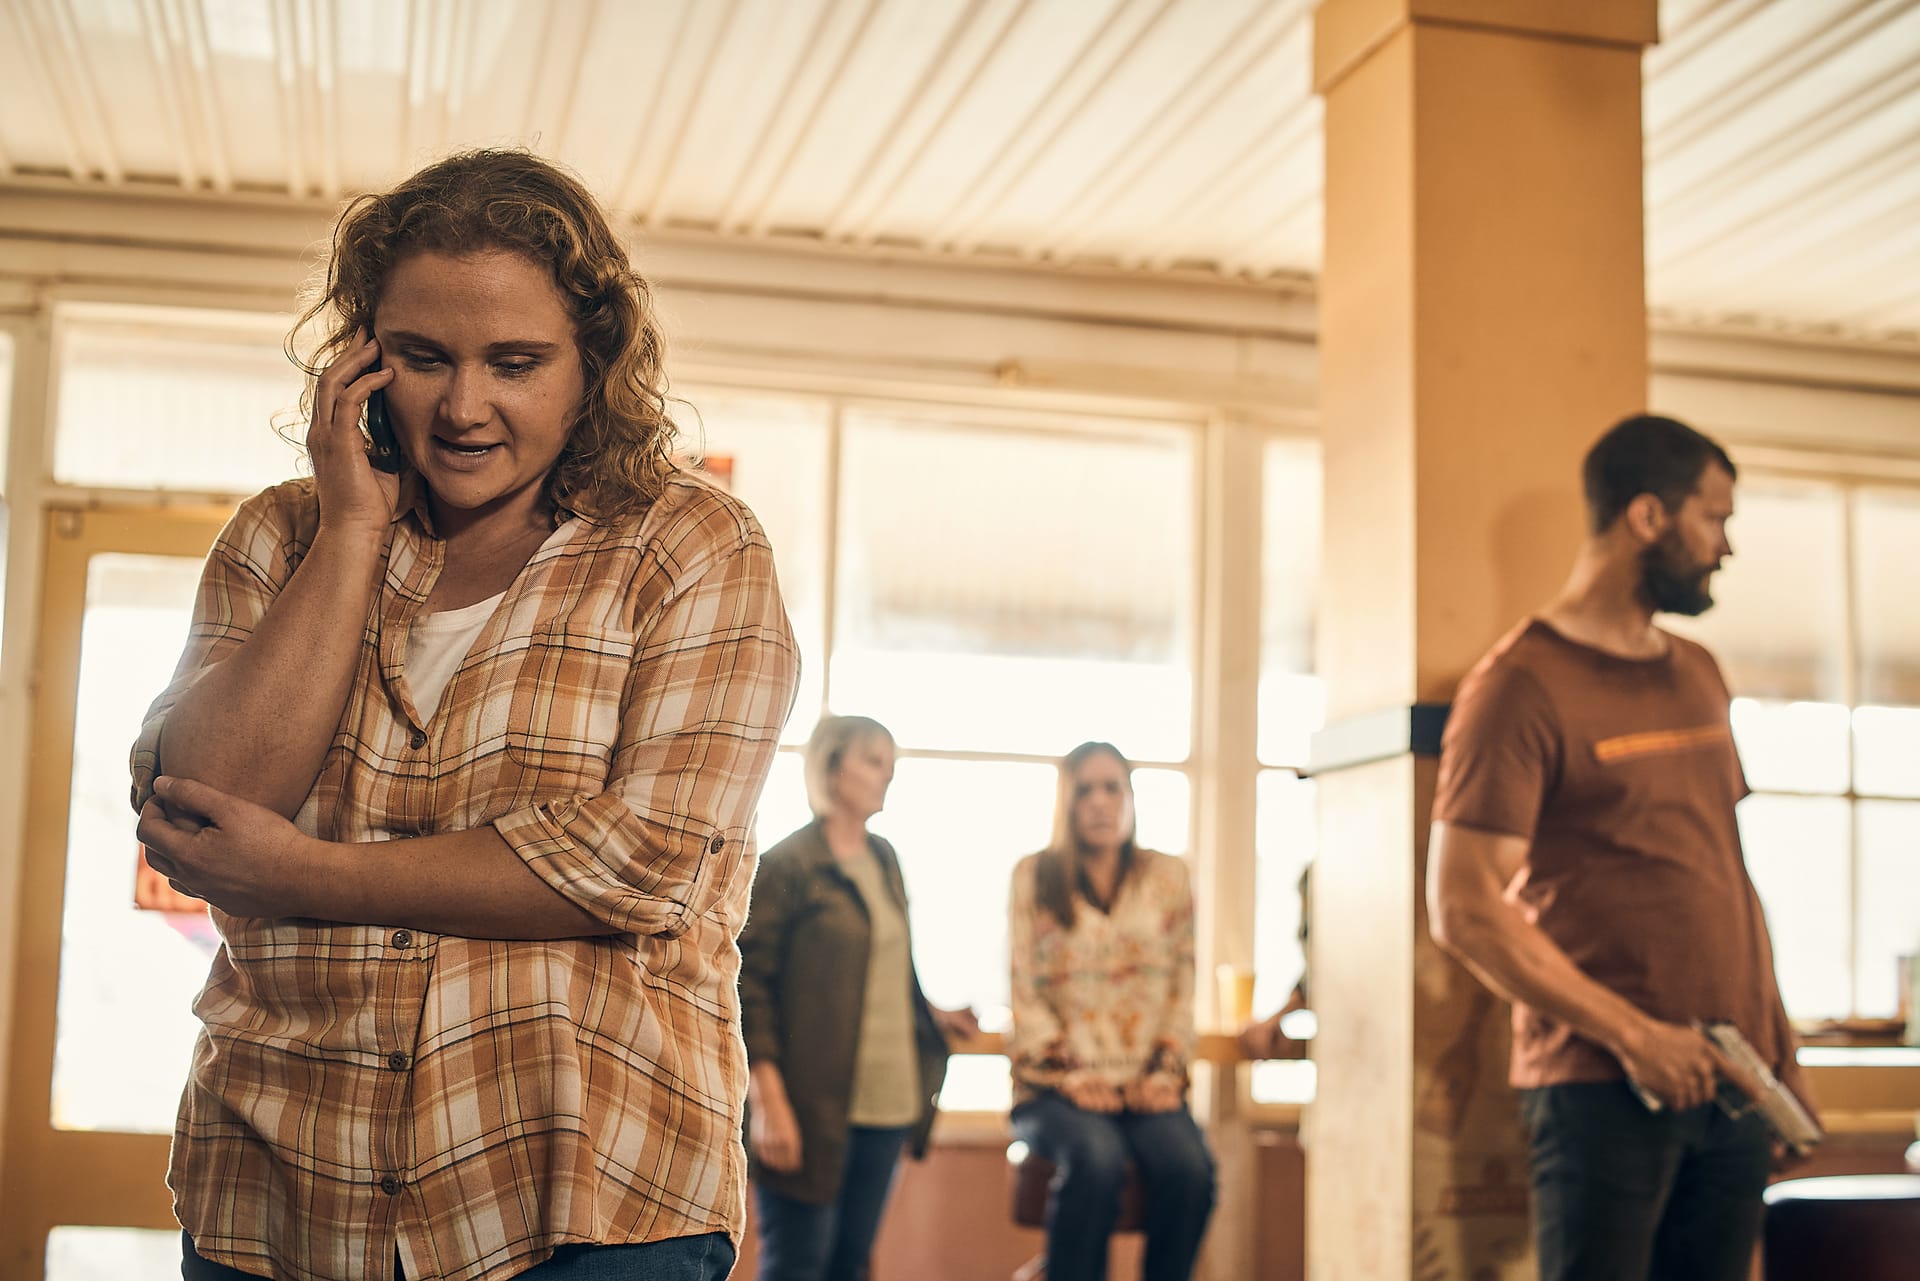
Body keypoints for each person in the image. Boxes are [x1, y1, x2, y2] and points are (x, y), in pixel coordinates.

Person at [131, 148, 799, 1281]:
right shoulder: (280, 538)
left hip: (583, 1205)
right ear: (361, 359)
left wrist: (303, 875)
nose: (464, 405)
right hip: (282, 1188)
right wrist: (350, 533)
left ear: (592, 364)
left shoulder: (692, 547)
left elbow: (635, 865)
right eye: (423, 358)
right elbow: (204, 817)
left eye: (516, 362)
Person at [1426, 414, 1817, 1281]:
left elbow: (1726, 870)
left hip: (1734, 1078)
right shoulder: (1518, 686)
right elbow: (1463, 907)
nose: (1727, 545)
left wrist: (1778, 1045)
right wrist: (1637, 1037)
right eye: (1713, 519)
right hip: (1601, 1090)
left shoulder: (1699, 671)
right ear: (1647, 517)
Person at [736, 715, 977, 1281]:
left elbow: (883, 965)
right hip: (810, 1110)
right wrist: (768, 1103)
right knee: (798, 1266)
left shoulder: (885, 857)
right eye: (874, 760)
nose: (887, 775)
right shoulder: (786, 865)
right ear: (832, 765)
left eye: (891, 764)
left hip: (890, 1103)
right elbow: (748, 990)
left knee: (852, 1266)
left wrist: (933, 1012)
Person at [1006, 741, 1216, 1281]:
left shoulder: (1170, 878)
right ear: (1067, 803)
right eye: (1085, 790)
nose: (1100, 802)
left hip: (1147, 1087)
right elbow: (1025, 993)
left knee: (1191, 1170)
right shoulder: (1034, 876)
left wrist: (1165, 1073)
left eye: (1112, 788)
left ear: (1130, 797)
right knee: (1096, 1161)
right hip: (1054, 1092)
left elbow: (1182, 986)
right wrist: (1072, 1076)